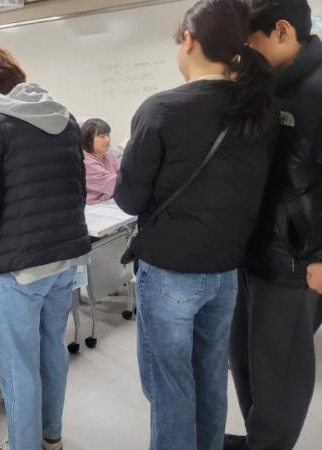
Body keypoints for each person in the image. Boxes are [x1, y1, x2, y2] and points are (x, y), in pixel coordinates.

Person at [113, 0, 276, 449]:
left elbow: (129, 198)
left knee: (170, 388)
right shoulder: (257, 112)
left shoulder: (161, 109)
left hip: (168, 273)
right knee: (209, 379)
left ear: (188, 40)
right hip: (226, 274)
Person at [0, 45, 91, 450]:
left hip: (18, 268)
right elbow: (78, 190)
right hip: (66, 259)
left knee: (18, 366)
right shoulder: (66, 119)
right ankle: (51, 439)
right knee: (52, 351)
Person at [226, 1, 322, 449]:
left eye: (252, 43)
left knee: (280, 372)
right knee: (245, 360)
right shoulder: (271, 87)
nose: (246, 55)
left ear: (282, 31)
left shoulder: (317, 89)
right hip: (254, 253)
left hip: (295, 263)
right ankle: (258, 441)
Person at [81, 118, 121, 204]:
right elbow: (115, 183)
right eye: (102, 136)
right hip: (92, 208)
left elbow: (124, 173)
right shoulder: (86, 162)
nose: (107, 140)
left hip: (108, 203)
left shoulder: (110, 157)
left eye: (108, 135)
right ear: (89, 140)